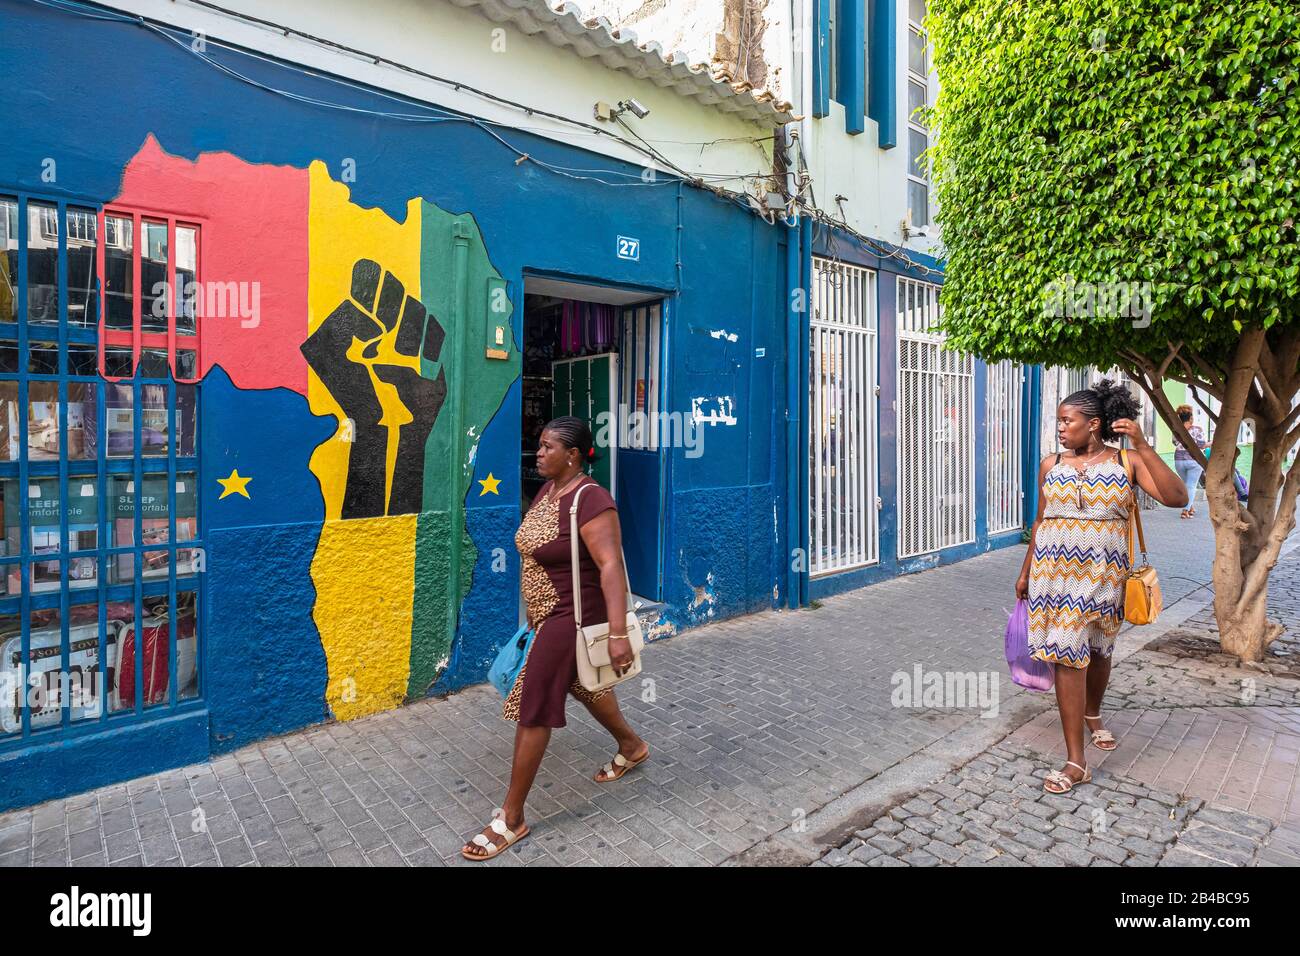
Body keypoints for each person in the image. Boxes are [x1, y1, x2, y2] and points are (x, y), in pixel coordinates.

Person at [462, 416, 648, 860]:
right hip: (545, 615)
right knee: (584, 685)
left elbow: (609, 567)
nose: (540, 453)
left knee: (535, 703)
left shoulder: (592, 499)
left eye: (548, 447)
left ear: (574, 455)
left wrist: (619, 632)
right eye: (539, 445)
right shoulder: (549, 492)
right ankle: (633, 746)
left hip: (574, 615)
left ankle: (511, 818)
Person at [1015, 381, 1187, 794]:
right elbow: (1041, 521)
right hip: (1052, 577)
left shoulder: (1126, 461)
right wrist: (1024, 573)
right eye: (1058, 421)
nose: (1060, 428)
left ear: (1093, 424)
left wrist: (1144, 445)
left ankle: (1093, 712)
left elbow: (1177, 497)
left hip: (1104, 575)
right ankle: (1077, 760)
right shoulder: (1049, 464)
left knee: (1098, 649)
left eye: (1067, 421)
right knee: (1066, 654)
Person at [1173, 404, 1209, 518]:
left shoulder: (1176, 429)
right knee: (1191, 486)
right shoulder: (1197, 430)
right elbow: (1202, 445)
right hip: (1194, 460)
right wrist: (1213, 441)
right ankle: (1185, 511)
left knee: (1187, 486)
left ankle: (1191, 508)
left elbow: (1174, 443)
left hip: (1179, 460)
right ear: (1191, 418)